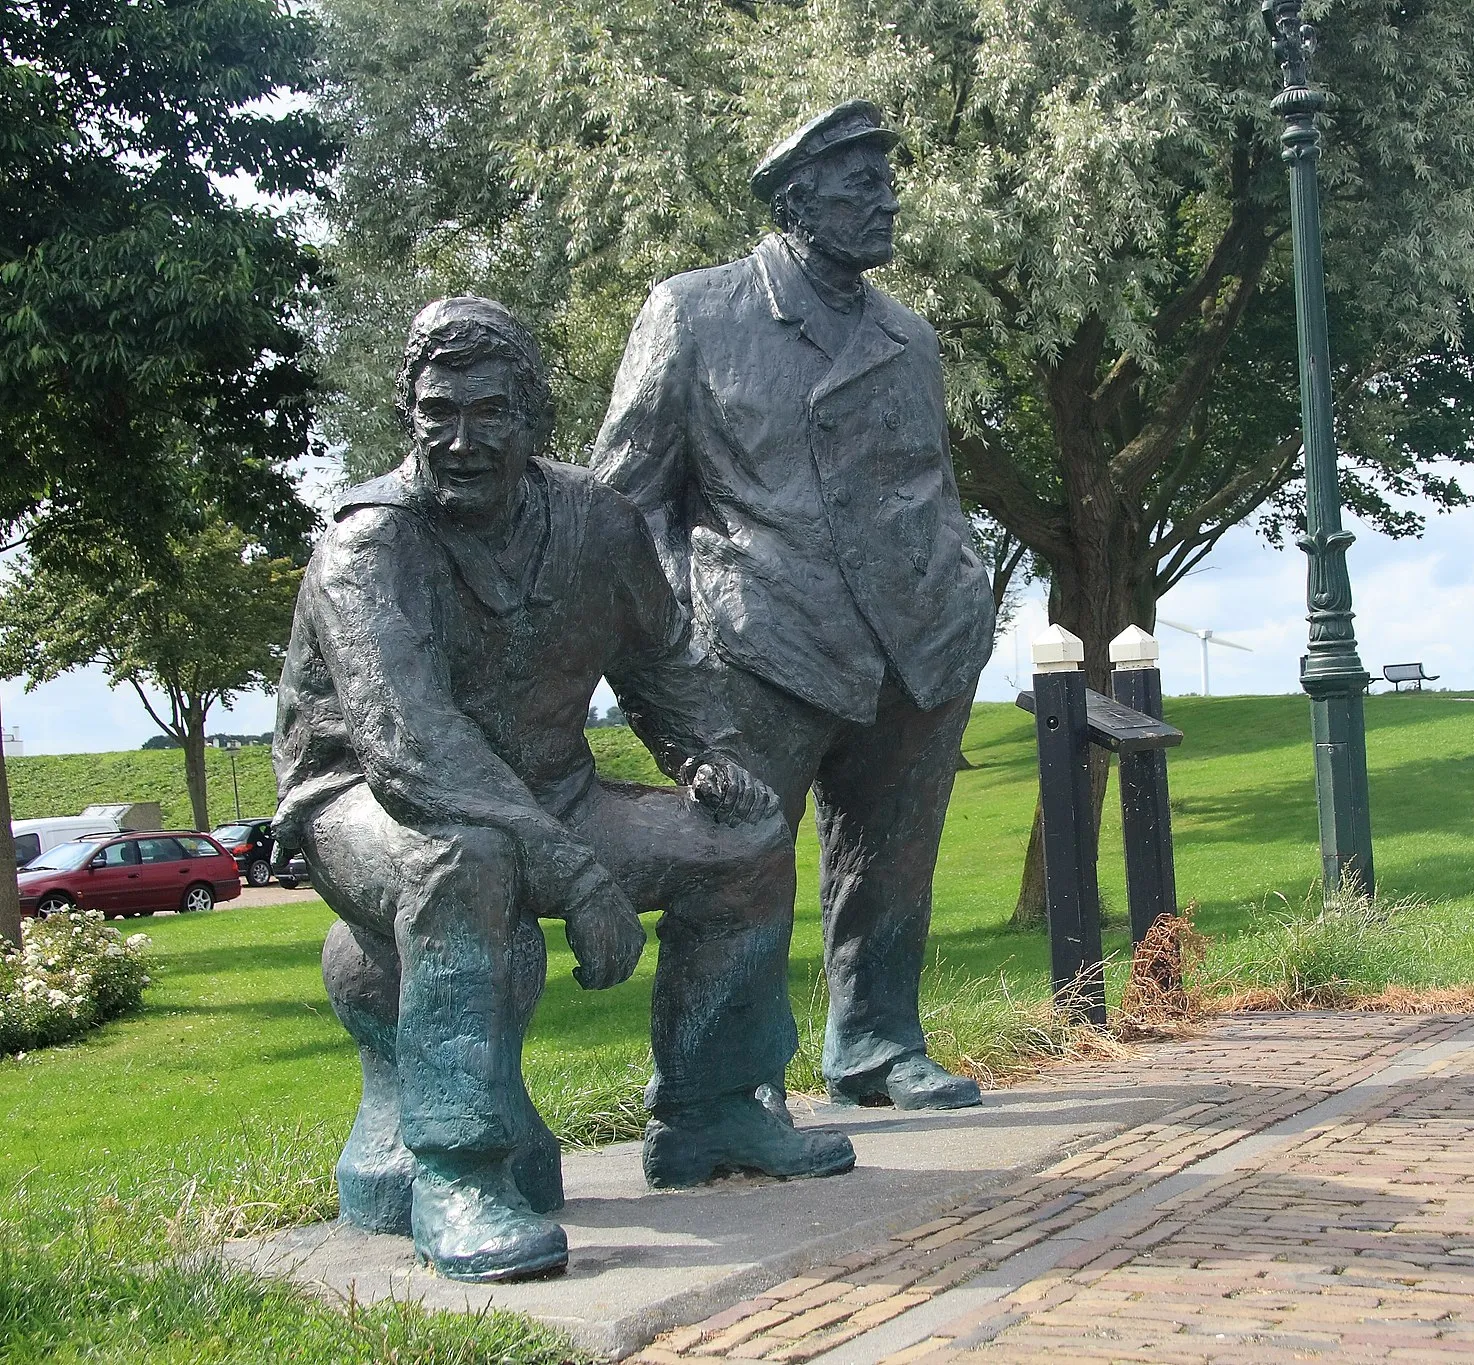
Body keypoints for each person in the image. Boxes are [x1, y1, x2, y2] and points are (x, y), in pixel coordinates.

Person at [273, 296, 854, 1284]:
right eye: (436, 412)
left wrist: (705, 752)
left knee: (745, 845)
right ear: (408, 414)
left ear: (536, 418)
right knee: (463, 858)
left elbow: (667, 668)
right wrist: (579, 880)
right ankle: (458, 1170)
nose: (460, 439)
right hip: (367, 801)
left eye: (489, 413)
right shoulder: (368, 545)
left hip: (552, 794)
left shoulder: (596, 521)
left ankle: (712, 1107)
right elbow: (410, 747)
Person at [592, 102, 996, 1111]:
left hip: (916, 646)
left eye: (888, 180)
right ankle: (726, 1089)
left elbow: (930, 487)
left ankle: (876, 1042)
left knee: (892, 863)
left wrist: (968, 587)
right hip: (761, 641)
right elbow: (621, 506)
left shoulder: (909, 338)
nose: (887, 200)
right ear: (797, 198)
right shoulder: (697, 312)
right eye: (862, 183)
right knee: (741, 868)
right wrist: (675, 644)